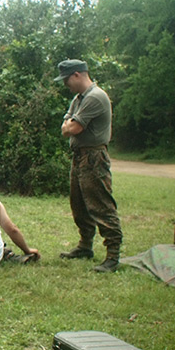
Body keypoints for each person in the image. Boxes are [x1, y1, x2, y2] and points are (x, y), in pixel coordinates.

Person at [55, 59, 123, 273]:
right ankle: (85, 246)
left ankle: (113, 254)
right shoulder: (79, 99)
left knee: (100, 205)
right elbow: (65, 125)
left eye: (66, 79)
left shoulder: (95, 97)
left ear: (77, 74)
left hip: (94, 157)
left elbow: (72, 128)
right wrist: (69, 125)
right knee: (79, 204)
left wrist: (70, 125)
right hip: (79, 156)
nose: (65, 84)